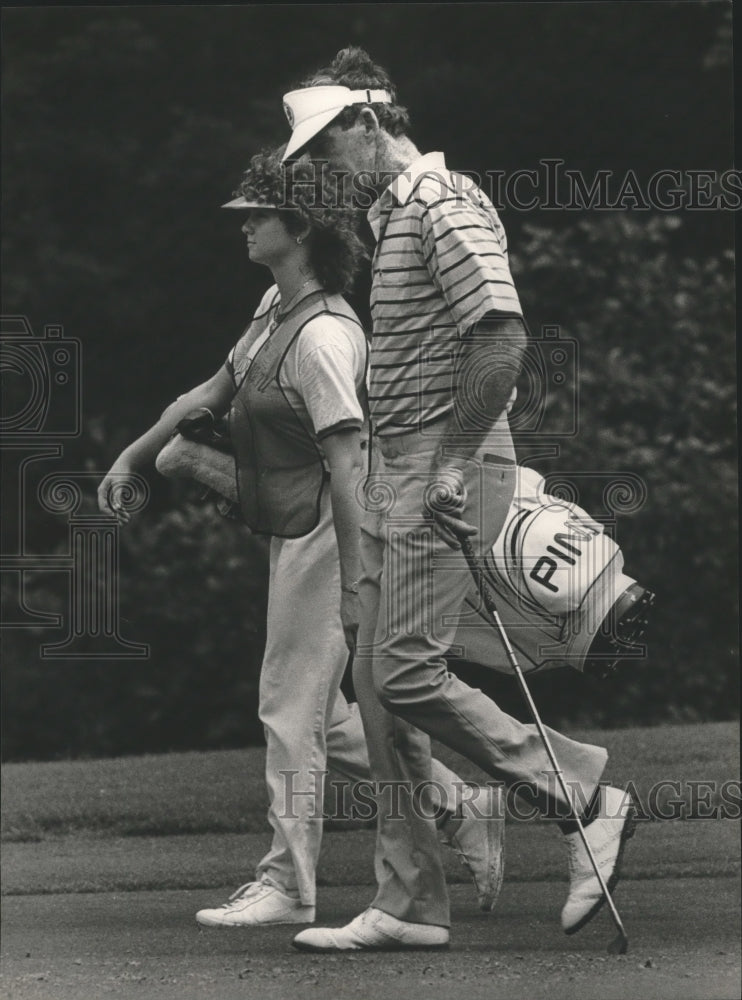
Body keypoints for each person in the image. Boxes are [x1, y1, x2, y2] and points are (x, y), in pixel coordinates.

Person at [280, 48, 637, 952]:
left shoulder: (444, 205)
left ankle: (585, 790)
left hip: (449, 466)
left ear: (368, 124)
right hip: (399, 470)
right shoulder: (391, 214)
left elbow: (503, 342)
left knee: (402, 669)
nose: (318, 171)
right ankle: (410, 900)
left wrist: (449, 462)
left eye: (324, 151)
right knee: (375, 686)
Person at [97, 148, 507, 928]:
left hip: (336, 522)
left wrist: (359, 581)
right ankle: (462, 808)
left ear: (301, 226)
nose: (244, 223)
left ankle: (289, 883)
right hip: (305, 523)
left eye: (258, 213)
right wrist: (132, 455)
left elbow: (350, 466)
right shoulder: (275, 308)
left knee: (288, 704)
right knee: (326, 716)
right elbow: (209, 392)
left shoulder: (323, 339)